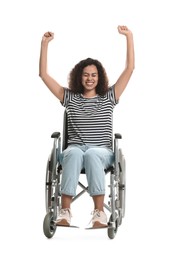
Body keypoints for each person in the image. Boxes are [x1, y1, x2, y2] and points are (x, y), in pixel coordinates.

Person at [39, 25, 135, 228]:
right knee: (73, 153)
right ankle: (65, 212)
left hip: (101, 152)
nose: (89, 78)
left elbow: (130, 69)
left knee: (91, 153)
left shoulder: (109, 97)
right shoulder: (69, 98)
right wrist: (44, 44)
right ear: (78, 77)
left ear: (99, 77)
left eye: (93, 75)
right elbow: (43, 75)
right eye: (85, 74)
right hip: (75, 150)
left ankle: (99, 213)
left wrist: (129, 37)